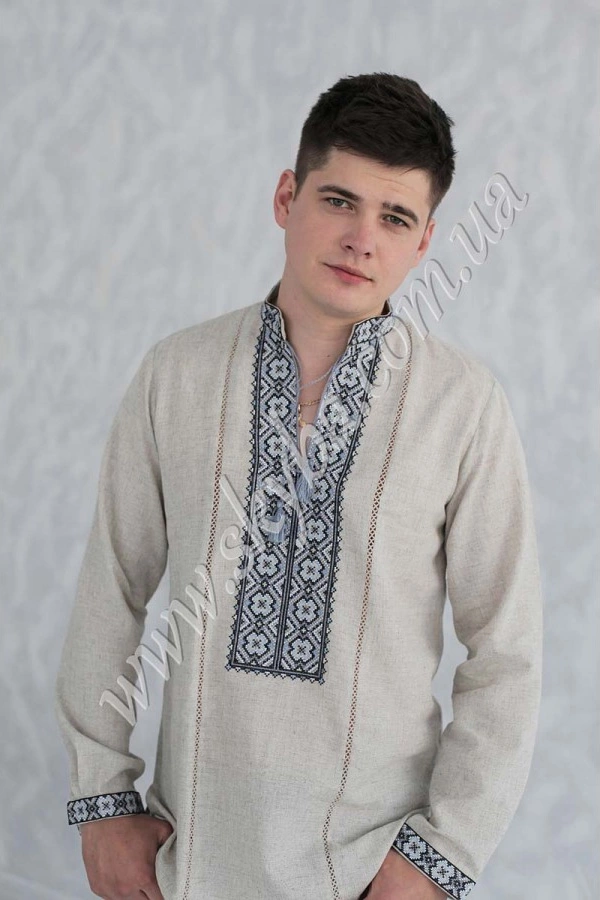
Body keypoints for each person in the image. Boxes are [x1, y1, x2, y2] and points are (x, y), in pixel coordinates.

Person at [54, 72, 543, 900]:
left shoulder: (462, 408)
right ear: (287, 197)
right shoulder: (178, 375)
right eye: (339, 200)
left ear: (424, 242)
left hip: (370, 870)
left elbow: (507, 652)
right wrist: (100, 802)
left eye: (395, 218)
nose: (362, 239)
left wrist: (438, 858)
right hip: (188, 862)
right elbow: (112, 591)